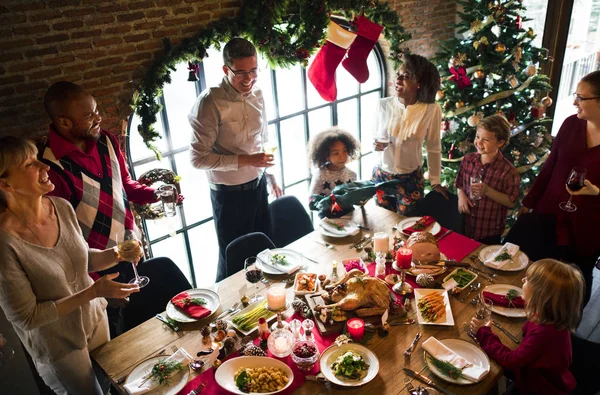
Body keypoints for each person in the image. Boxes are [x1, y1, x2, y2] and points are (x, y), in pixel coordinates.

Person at [42, 81, 191, 336]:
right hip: (98, 273)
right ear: (64, 122)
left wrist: (155, 194)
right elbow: (62, 243)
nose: (98, 117)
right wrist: (99, 288)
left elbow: (126, 186)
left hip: (130, 251)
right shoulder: (50, 169)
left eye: (97, 109)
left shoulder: (106, 140)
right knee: (120, 337)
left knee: (153, 324)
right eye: (89, 115)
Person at [0, 136, 140, 395]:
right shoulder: (4, 243)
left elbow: (81, 260)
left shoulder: (61, 207)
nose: (44, 166)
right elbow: (27, 317)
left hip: (94, 320)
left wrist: (118, 253)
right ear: (5, 183)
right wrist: (93, 292)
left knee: (112, 386)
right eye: (29, 164)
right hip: (58, 344)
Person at [188, 37, 282, 282]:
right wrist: (248, 160)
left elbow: (263, 139)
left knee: (265, 252)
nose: (248, 79)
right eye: (240, 73)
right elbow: (198, 159)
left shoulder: (258, 94)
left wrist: (271, 177)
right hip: (228, 195)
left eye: (253, 71)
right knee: (234, 261)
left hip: (259, 187)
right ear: (225, 70)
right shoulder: (209, 102)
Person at [504, 71, 600, 306]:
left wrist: (596, 192)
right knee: (540, 272)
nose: (574, 101)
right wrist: (529, 201)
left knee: (577, 279)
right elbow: (550, 166)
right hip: (550, 212)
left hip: (587, 225)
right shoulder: (570, 125)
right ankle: (531, 322)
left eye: (581, 97)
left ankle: (566, 329)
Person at [470, 259, 583, 394]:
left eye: (528, 280)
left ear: (540, 295)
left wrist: (483, 333)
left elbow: (510, 360)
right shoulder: (547, 316)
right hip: (541, 374)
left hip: (540, 388)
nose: (523, 280)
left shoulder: (544, 333)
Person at [372, 53, 449, 216]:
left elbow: (433, 147)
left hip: (410, 180)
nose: (397, 80)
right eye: (398, 75)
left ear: (419, 83)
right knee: (381, 223)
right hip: (382, 176)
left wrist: (435, 181)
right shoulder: (383, 105)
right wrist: (376, 144)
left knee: (408, 228)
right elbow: (376, 138)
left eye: (405, 77)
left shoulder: (431, 109)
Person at [455, 115, 520, 244]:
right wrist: (461, 195)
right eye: (477, 137)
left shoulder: (508, 171)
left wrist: (487, 190)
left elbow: (511, 202)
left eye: (485, 140)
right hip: (464, 225)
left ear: (500, 142)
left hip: (489, 232)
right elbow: (459, 183)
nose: (478, 143)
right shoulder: (468, 160)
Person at [308, 127, 359, 197]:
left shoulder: (352, 174)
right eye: (336, 153)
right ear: (327, 156)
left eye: (345, 151)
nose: (342, 156)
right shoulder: (320, 176)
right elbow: (312, 200)